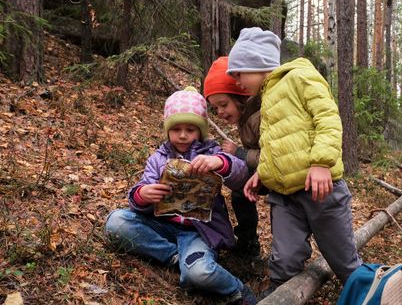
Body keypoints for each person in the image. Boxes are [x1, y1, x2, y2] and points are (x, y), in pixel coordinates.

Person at [227, 27, 362, 297]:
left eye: (238, 72)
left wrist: (322, 163)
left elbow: (328, 118)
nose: (236, 81)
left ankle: (370, 294)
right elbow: (277, 143)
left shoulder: (299, 77)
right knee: (284, 263)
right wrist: (263, 173)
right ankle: (279, 297)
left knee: (344, 262)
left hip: (321, 192)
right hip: (285, 197)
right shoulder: (265, 99)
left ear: (257, 64)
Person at [104, 86, 257, 305]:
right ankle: (174, 256)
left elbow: (240, 175)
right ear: (168, 130)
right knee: (116, 222)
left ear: (200, 131)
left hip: (198, 232)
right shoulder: (158, 159)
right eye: (176, 129)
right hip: (161, 226)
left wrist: (221, 163)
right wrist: (142, 195)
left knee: (199, 273)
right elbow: (140, 195)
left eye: (190, 129)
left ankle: (237, 289)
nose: (183, 135)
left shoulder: (212, 153)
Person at [203, 56, 262, 258]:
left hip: (279, 172)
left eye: (223, 104)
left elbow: (271, 156)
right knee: (240, 191)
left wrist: (239, 153)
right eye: (215, 108)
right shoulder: (245, 116)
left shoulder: (259, 118)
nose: (220, 112)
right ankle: (247, 240)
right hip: (264, 169)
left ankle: (252, 245)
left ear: (241, 97)